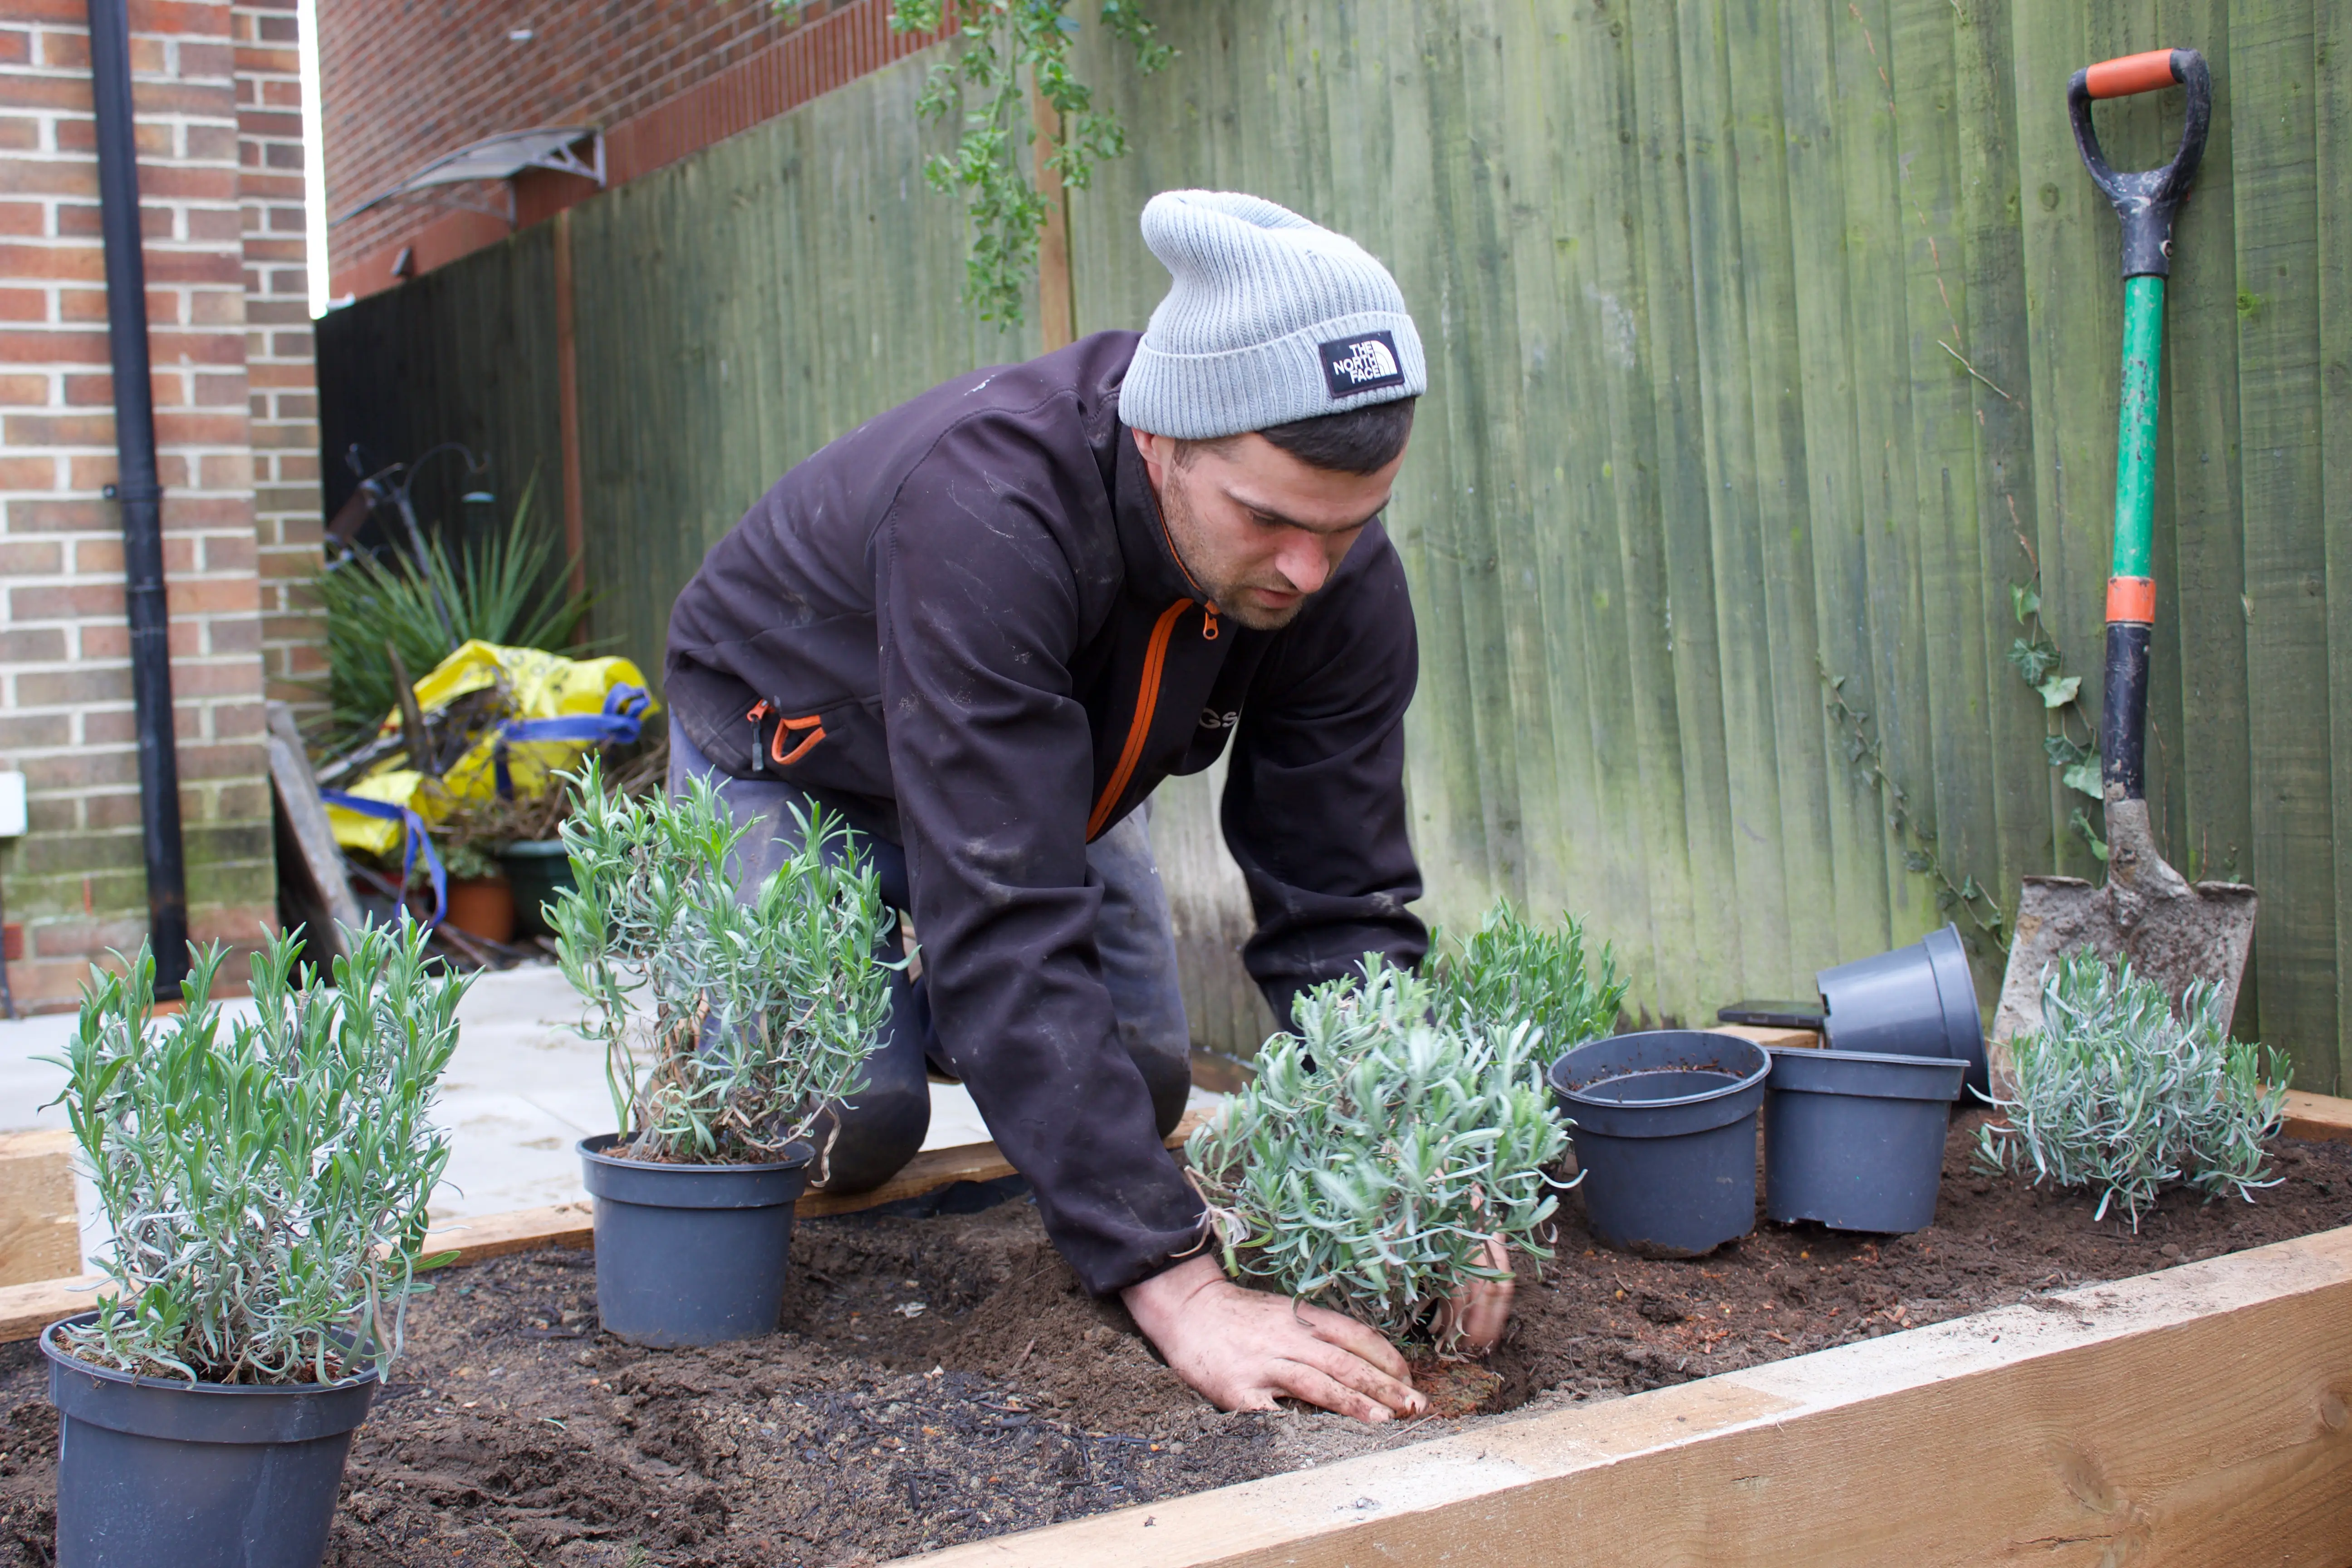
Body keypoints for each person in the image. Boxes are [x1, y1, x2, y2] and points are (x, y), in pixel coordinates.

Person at [663, 191, 1504, 1422]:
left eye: (1350, 526)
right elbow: (1008, 913)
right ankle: (750, 1019)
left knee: (1143, 1084)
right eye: (1269, 519)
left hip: (1036, 781)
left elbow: (1341, 896)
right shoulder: (985, 514)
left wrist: (1428, 1160)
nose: (1310, 572)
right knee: (844, 1123)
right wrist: (1180, 1286)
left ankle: (961, 1014)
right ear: (1163, 438)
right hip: (797, 757)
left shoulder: (1332, 574)